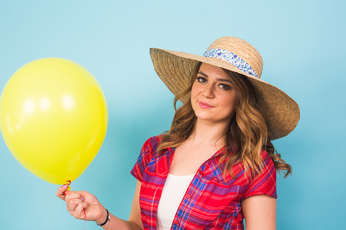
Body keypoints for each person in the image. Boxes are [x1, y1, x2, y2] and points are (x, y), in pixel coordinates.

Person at [57, 36, 300, 230]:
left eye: (224, 85)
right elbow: (137, 228)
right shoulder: (155, 149)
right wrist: (102, 216)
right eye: (202, 79)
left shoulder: (253, 165)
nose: (207, 92)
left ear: (241, 99)